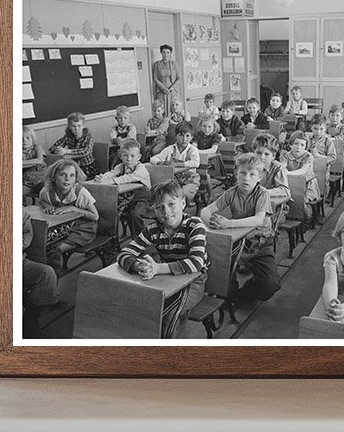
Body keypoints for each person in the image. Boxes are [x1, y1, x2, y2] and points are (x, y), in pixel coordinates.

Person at [118, 180, 208, 338]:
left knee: (168, 312)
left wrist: (158, 268)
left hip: (194, 282)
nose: (166, 211)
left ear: (183, 203)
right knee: (138, 306)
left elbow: (196, 263)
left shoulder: (195, 225)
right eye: (159, 207)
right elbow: (124, 253)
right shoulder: (153, 229)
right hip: (167, 279)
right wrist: (139, 266)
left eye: (171, 204)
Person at [200, 152, 277, 307]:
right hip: (238, 242)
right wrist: (212, 221)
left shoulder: (262, 193)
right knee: (221, 274)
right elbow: (205, 211)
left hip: (260, 243)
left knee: (270, 285)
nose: (246, 178)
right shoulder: (232, 193)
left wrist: (228, 224)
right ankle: (232, 297)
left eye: (251, 174)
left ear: (260, 177)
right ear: (236, 173)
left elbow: (258, 219)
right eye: (242, 173)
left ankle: (246, 293)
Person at [36, 158, 100, 272]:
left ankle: (54, 276)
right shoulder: (47, 191)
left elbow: (95, 216)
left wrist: (73, 208)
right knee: (39, 244)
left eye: (71, 176)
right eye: (62, 175)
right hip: (60, 227)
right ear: (53, 177)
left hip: (82, 229)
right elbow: (41, 201)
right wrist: (47, 206)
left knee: (54, 249)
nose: (67, 179)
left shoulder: (80, 192)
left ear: (75, 178)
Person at [95, 138, 151, 226]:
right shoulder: (121, 166)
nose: (128, 159)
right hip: (128, 198)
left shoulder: (141, 169)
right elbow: (112, 173)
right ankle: (112, 235)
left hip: (142, 199)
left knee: (134, 215)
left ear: (139, 157)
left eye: (132, 156)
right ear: (121, 156)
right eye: (125, 155)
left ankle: (140, 237)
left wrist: (110, 181)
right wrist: (102, 177)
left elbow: (128, 178)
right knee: (108, 210)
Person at [21, 209, 58, 308]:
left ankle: (35, 309)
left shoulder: (20, 212)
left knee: (47, 272)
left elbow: (27, 235)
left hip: (18, 261)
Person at [49, 112, 97, 180]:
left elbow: (85, 151)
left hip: (87, 167)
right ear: (69, 127)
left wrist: (67, 151)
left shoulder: (88, 137)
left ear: (83, 126)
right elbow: (52, 148)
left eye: (79, 126)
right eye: (73, 126)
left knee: (70, 176)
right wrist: (59, 150)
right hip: (72, 166)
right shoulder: (68, 136)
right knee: (60, 176)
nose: (76, 129)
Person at [281, 130, 321, 204]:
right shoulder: (286, 155)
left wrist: (287, 173)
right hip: (291, 183)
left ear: (305, 147)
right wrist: (283, 170)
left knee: (301, 202)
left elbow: (303, 170)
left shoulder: (308, 156)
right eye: (296, 144)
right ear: (290, 145)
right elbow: (283, 165)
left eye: (302, 145)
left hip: (307, 185)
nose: (298, 147)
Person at [21, 124, 46, 206]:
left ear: (33, 139)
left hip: (41, 180)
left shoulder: (37, 148)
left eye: (27, 138)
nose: (24, 141)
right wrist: (34, 162)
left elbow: (40, 160)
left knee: (47, 192)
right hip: (27, 183)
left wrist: (22, 163)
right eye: (21, 139)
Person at [152, 44, 179, 109]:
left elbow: (179, 78)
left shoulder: (174, 64)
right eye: (163, 52)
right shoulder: (156, 64)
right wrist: (164, 88)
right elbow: (155, 79)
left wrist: (172, 88)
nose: (165, 54)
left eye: (168, 52)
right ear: (161, 53)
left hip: (172, 91)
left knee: (173, 108)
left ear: (170, 53)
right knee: (161, 109)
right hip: (161, 91)